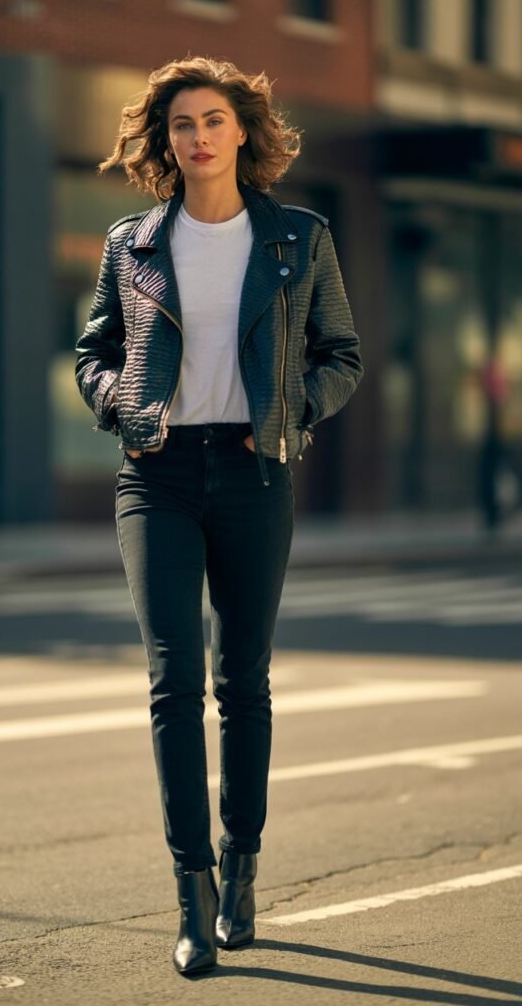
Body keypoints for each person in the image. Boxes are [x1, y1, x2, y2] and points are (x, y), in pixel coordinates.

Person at [75, 55, 364, 976]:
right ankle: (192, 894)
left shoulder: (298, 237)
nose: (196, 137)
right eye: (181, 125)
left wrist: (292, 410)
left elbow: (341, 352)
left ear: (243, 131)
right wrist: (119, 400)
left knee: (243, 679)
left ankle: (243, 870)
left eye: (211, 121)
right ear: (165, 141)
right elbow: (93, 353)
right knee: (172, 682)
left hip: (253, 468)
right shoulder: (133, 242)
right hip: (155, 475)